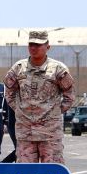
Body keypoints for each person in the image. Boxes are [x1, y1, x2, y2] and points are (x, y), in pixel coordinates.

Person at [4, 30, 76, 164]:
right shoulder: (18, 68)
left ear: (48, 46)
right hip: (25, 133)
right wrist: (20, 110)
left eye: (38, 45)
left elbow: (70, 96)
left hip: (50, 134)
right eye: (31, 44)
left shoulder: (58, 69)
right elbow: (9, 93)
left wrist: (53, 113)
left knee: (52, 171)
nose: (33, 48)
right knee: (26, 172)